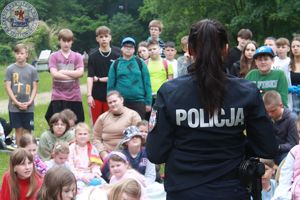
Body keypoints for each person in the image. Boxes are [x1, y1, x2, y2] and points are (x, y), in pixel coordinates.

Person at [146, 19, 278, 200]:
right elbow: (267, 146)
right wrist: (238, 142)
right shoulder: (246, 92)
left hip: (184, 190)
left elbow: (156, 152)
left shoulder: (170, 93)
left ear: (190, 50)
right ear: (225, 49)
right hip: (231, 190)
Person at [45, 28, 85, 123]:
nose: (66, 44)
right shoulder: (53, 56)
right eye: (64, 41)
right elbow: (54, 74)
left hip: (75, 95)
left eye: (69, 41)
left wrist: (62, 71)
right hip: (58, 96)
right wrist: (73, 76)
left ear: (72, 42)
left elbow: (80, 73)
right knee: (58, 123)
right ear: (59, 41)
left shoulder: (77, 56)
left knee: (77, 123)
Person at [107, 37, 152, 118]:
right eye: (126, 47)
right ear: (122, 48)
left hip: (139, 101)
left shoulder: (140, 63)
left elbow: (147, 83)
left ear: (134, 49)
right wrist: (111, 102)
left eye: (131, 47)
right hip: (120, 102)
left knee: (138, 127)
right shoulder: (116, 64)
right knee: (121, 128)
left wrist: (148, 102)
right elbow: (110, 85)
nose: (128, 49)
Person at [4, 43, 39, 146]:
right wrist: (16, 102)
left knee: (28, 131)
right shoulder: (10, 69)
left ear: (26, 54)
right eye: (17, 53)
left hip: (29, 106)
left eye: (22, 53)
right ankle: (19, 154)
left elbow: (35, 87)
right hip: (14, 107)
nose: (19, 55)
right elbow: (7, 87)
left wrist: (30, 102)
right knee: (18, 130)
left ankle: (28, 152)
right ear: (15, 54)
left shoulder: (32, 69)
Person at [93, 90, 141, 160]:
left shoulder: (133, 115)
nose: (112, 104)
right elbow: (96, 138)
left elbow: (138, 137)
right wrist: (103, 154)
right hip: (106, 155)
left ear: (121, 100)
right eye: (110, 103)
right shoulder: (102, 118)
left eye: (115, 101)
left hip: (127, 154)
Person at [87, 26, 121, 124]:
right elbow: (90, 77)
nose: (104, 39)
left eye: (106, 36)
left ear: (110, 37)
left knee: (112, 123)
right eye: (101, 37)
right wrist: (89, 95)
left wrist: (99, 79)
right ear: (97, 39)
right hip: (96, 95)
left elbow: (117, 77)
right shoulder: (93, 56)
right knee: (97, 124)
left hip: (113, 95)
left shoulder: (118, 54)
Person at [263, 90, 298, 165]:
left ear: (281, 105)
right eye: (267, 111)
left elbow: (293, 144)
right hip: (269, 152)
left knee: (286, 160)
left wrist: (278, 147)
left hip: (285, 153)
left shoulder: (291, 119)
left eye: (273, 111)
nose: (269, 114)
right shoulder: (266, 118)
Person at [68, 122, 103, 189]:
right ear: (75, 136)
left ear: (89, 135)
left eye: (85, 134)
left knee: (102, 186)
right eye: (80, 134)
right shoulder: (71, 148)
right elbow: (70, 168)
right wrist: (82, 177)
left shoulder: (92, 148)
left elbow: (95, 165)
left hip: (91, 175)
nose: (82, 136)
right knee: (81, 189)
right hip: (77, 177)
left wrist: (95, 174)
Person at [273, 38, 292, 109]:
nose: (280, 49)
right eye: (278, 47)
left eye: (283, 47)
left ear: (288, 49)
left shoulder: (290, 61)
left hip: (288, 91)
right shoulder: (273, 60)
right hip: (274, 90)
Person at [289, 37, 300, 116]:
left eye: (298, 46)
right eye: (293, 46)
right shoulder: (287, 64)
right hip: (291, 100)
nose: (295, 48)